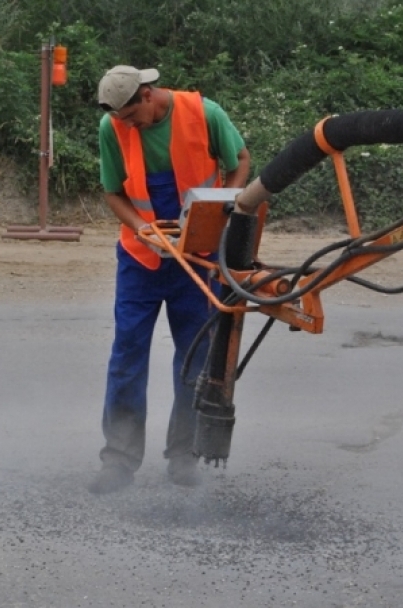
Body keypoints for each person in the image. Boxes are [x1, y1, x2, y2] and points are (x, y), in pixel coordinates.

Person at [88, 65, 251, 494]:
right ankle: (119, 460)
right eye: (118, 121)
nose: (125, 127)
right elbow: (113, 191)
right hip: (141, 260)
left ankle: (183, 456)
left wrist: (225, 209)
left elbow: (241, 163)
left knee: (195, 360)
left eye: (130, 117)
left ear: (147, 95)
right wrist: (141, 227)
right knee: (127, 355)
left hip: (196, 258)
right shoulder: (113, 126)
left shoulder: (205, 113)